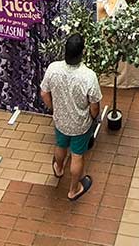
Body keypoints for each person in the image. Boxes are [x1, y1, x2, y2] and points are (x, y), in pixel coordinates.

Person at [41, 34, 102, 201]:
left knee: (60, 146)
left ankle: (58, 169)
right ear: (82, 52)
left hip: (60, 120)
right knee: (77, 155)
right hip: (80, 124)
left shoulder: (53, 69)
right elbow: (95, 105)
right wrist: (92, 117)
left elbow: (44, 93)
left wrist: (54, 109)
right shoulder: (88, 76)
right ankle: (73, 189)